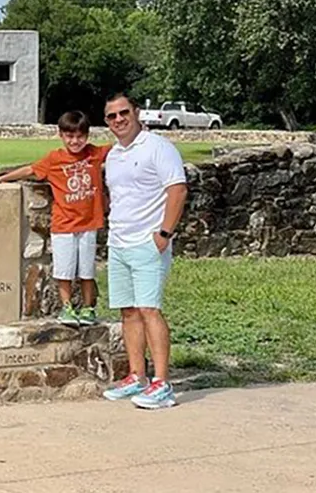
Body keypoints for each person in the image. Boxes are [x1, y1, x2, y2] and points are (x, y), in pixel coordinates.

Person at [0, 110, 110, 326]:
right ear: (61, 135)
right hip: (64, 225)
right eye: (70, 136)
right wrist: (0, 179)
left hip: (88, 224)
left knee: (87, 271)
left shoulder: (94, 154)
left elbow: (123, 148)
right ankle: (66, 307)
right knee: (64, 271)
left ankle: (88, 309)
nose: (75, 141)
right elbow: (29, 170)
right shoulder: (54, 159)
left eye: (79, 136)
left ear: (87, 136)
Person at [100, 93, 188, 410]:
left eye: (124, 113)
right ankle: (137, 375)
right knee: (128, 311)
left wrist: (164, 233)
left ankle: (162, 383)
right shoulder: (114, 155)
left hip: (148, 242)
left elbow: (177, 188)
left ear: (137, 113)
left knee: (149, 309)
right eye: (112, 116)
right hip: (120, 241)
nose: (119, 120)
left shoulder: (158, 147)